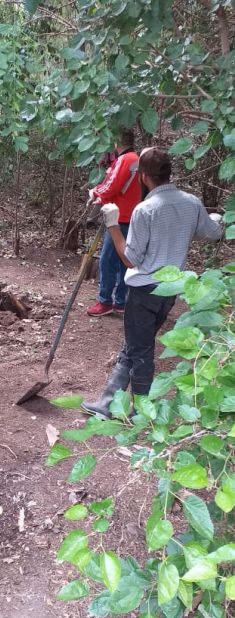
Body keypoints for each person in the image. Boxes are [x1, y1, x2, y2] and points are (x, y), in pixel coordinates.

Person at [81, 147, 222, 418]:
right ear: (169, 173)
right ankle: (108, 401)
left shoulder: (145, 210)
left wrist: (112, 224)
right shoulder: (191, 202)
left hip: (144, 289)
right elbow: (212, 232)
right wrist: (218, 219)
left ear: (144, 176)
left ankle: (140, 411)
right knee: (135, 345)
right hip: (170, 290)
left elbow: (131, 259)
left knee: (141, 350)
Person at [87, 129, 141, 317]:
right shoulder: (134, 158)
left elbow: (113, 184)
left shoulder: (127, 159)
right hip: (127, 214)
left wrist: (96, 193)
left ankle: (106, 301)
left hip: (121, 217)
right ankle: (120, 301)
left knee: (108, 260)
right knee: (122, 261)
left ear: (118, 142)